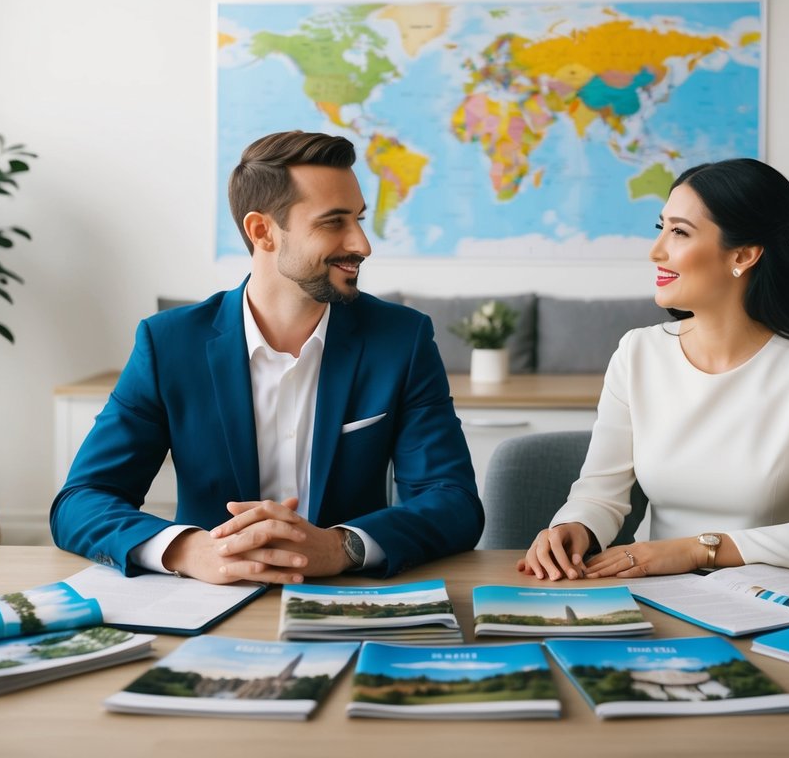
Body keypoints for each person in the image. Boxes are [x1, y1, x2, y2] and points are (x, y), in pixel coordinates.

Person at [51, 131, 483, 584]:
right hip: (205, 605)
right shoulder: (169, 344)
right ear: (263, 232)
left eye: (358, 218)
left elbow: (452, 501)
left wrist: (341, 546)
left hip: (350, 602)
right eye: (334, 222)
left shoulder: (401, 338)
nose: (362, 243)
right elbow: (81, 500)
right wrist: (189, 549)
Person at [520, 158, 789, 581]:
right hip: (659, 592)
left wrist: (698, 551)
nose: (656, 250)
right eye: (661, 228)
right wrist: (575, 526)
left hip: (771, 596)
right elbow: (601, 493)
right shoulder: (638, 352)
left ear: (744, 255)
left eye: (679, 232)